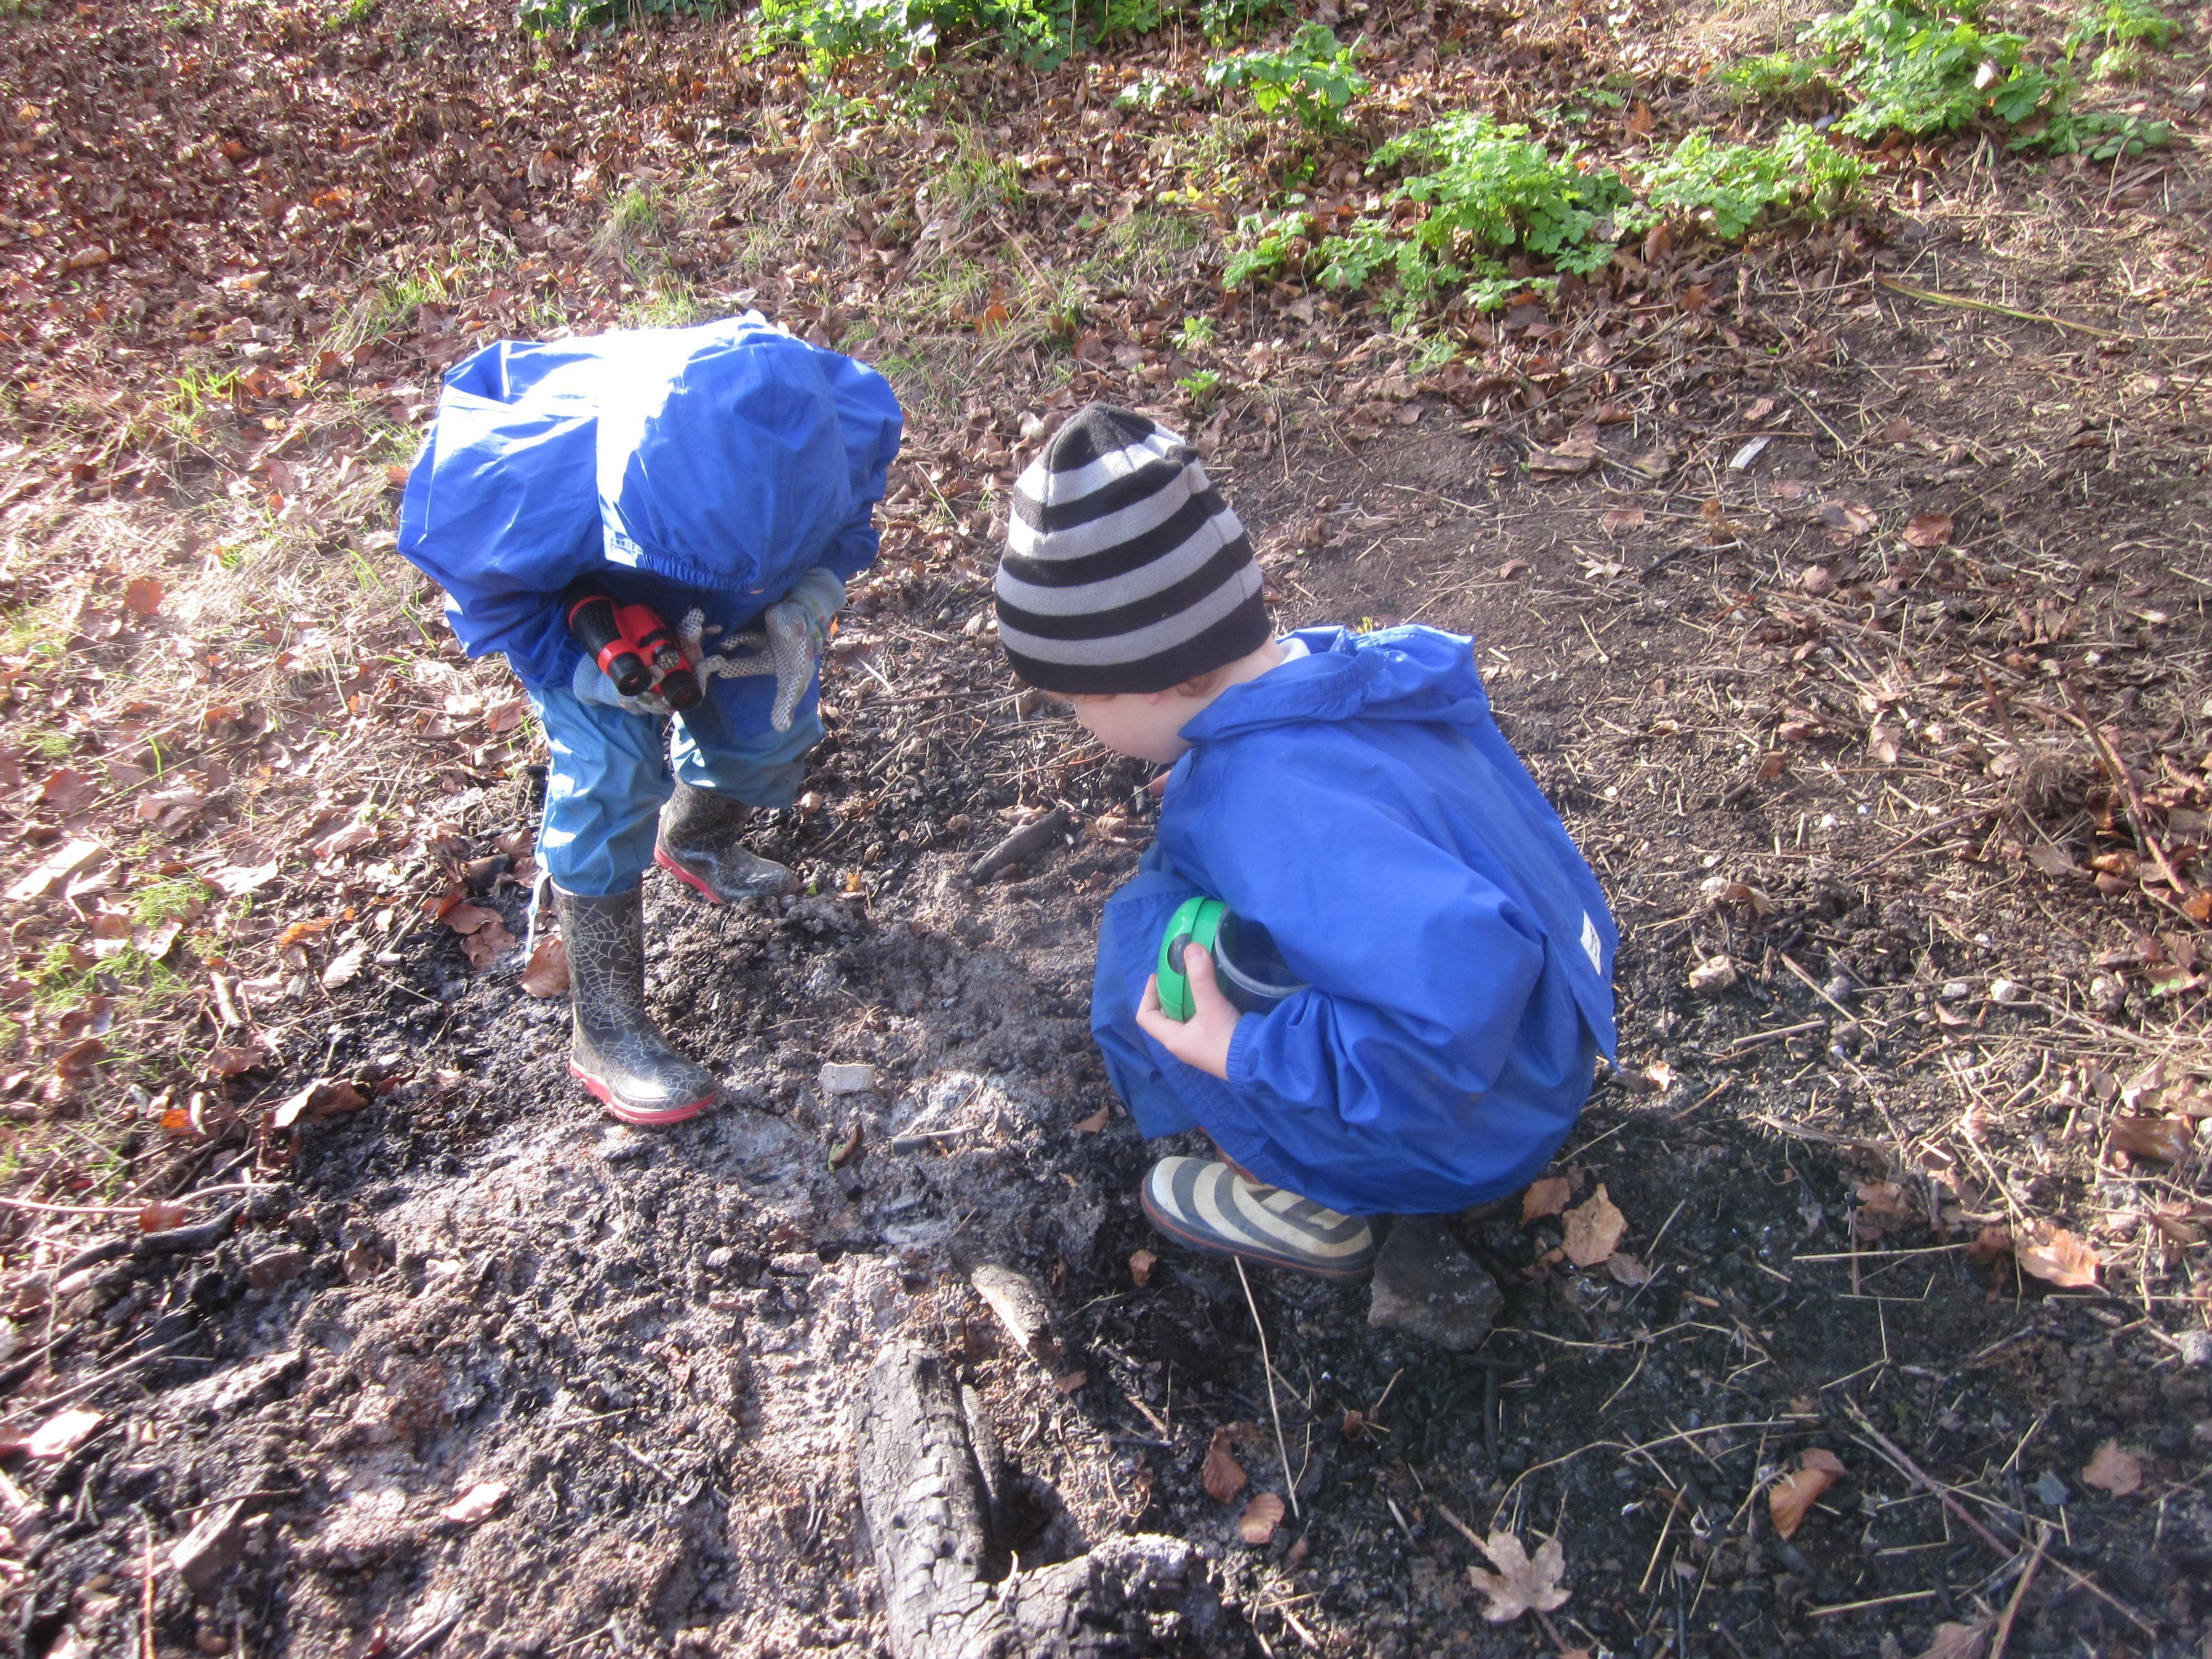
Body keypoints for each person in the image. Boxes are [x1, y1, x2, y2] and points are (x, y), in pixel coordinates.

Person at [994, 404, 1616, 1278]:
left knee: (1154, 948)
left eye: (1079, 702)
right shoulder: (1338, 676)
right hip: (1549, 1045)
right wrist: (1217, 773)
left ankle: (1311, 1197)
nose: (1078, 723)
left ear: (1158, 680)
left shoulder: (1277, 807)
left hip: (1471, 1127)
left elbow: (1450, 1010)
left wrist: (1239, 1050)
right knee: (1194, 896)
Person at [398, 315, 902, 1126]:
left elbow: (849, 524)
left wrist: (814, 589)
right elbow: (493, 601)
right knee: (611, 772)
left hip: (743, 582)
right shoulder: (513, 476)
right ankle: (605, 1030)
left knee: (768, 730)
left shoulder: (833, 417)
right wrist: (580, 673)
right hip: (585, 607)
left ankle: (696, 838)